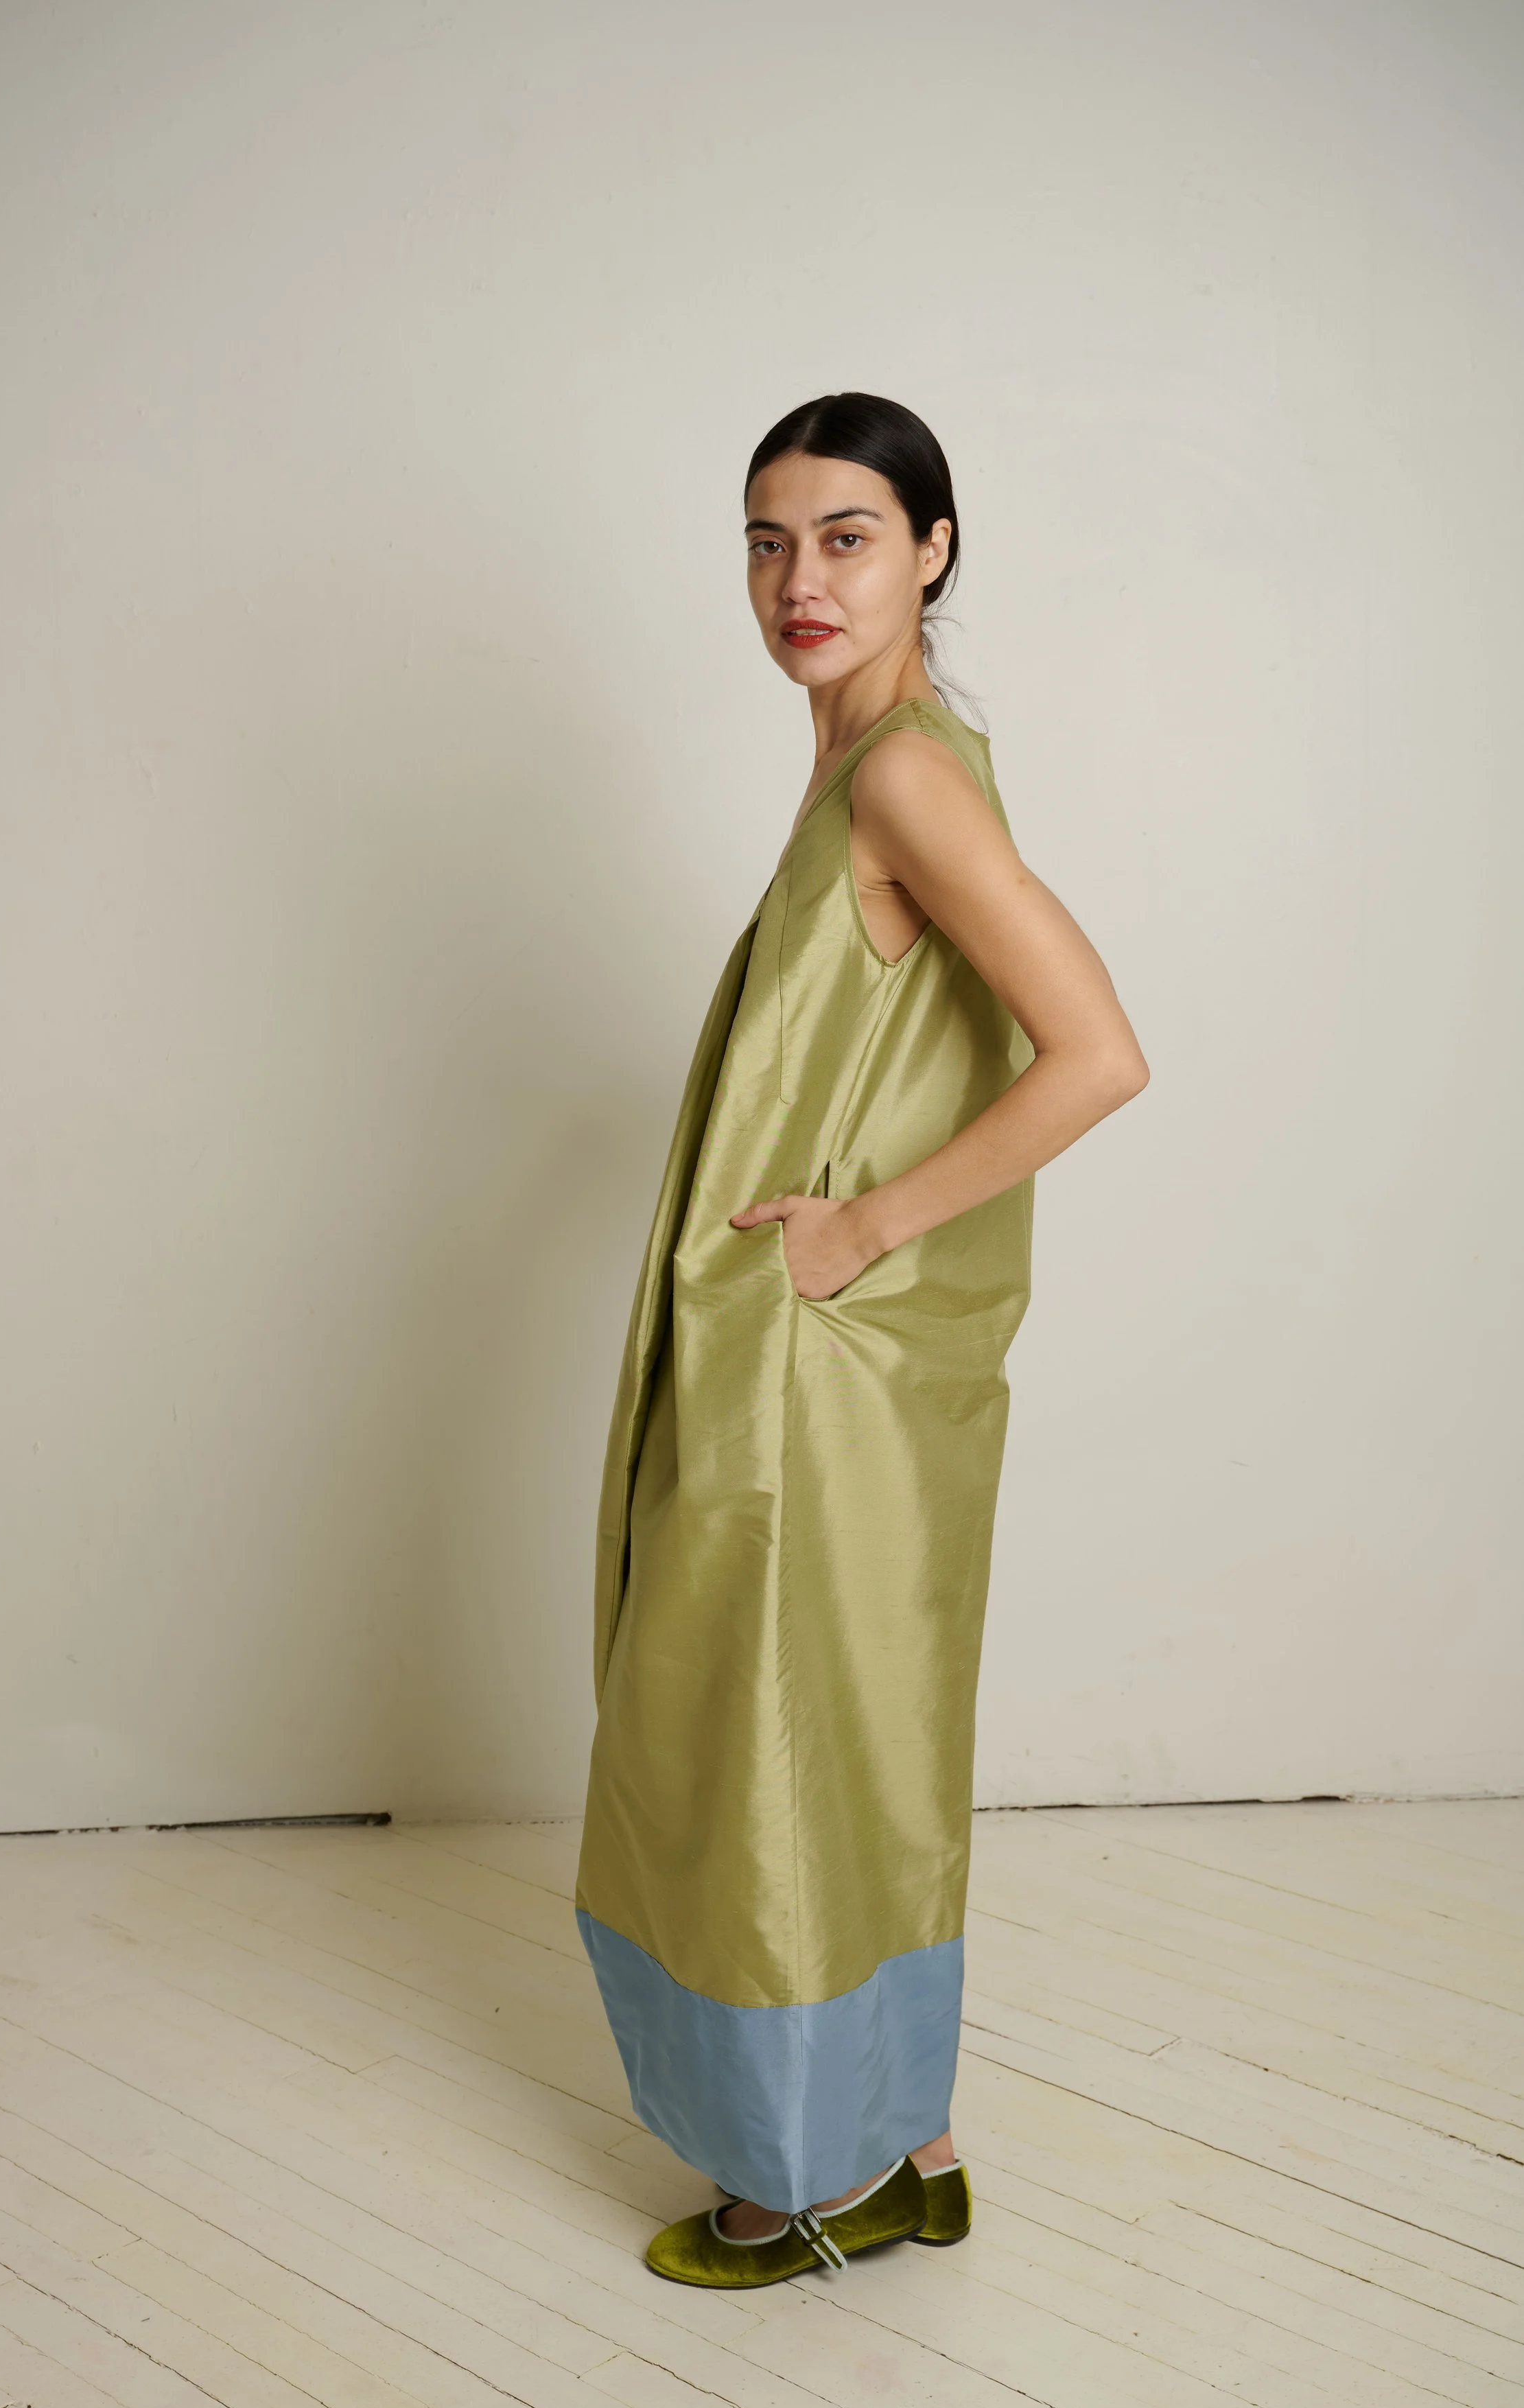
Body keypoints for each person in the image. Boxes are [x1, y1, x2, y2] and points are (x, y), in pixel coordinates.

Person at [575, 391, 1149, 2289]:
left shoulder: (903, 777)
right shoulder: (872, 761)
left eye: (845, 536)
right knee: (843, 1729)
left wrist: (860, 1225)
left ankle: (789, 2180)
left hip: (820, 1377)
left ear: (932, 551)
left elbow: (1098, 1053)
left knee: (765, 1741)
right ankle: (909, 2150)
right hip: (826, 1366)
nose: (797, 580)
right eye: (766, 540)